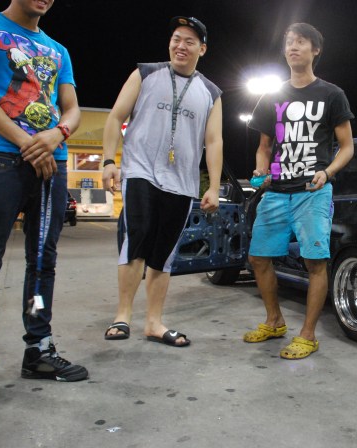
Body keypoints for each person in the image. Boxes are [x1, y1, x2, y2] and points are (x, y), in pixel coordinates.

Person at [0, 0, 88, 410]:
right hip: (2, 161)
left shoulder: (58, 50)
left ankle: (38, 348)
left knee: (43, 263)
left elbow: (72, 108)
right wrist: (30, 143)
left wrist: (58, 134)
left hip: (52, 166)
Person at [102, 16, 223, 347]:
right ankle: (122, 316)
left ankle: (154, 323)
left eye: (189, 41)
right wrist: (109, 161)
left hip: (182, 182)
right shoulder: (145, 73)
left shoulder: (211, 92)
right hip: (140, 170)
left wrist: (213, 187)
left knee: (164, 252)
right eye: (176, 39)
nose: (180, 46)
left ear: (202, 49)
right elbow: (116, 116)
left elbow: (214, 142)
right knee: (137, 238)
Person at [243, 22, 354, 359]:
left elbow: (347, 147)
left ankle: (308, 335)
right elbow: (264, 147)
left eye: (301, 42)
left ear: (315, 50)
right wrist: (262, 169)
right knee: (258, 258)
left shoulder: (332, 94)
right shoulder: (272, 96)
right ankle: (274, 321)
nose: (293, 47)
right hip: (276, 191)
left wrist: (327, 172)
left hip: (312, 191)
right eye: (289, 42)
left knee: (314, 261)